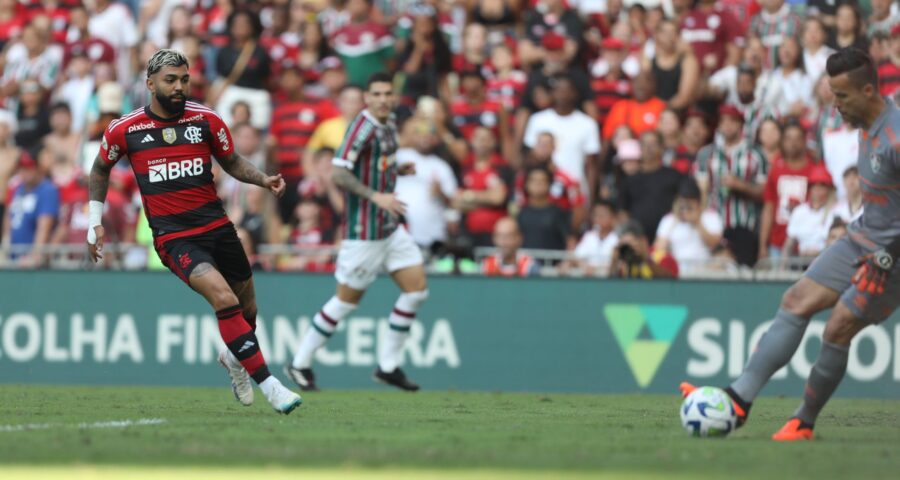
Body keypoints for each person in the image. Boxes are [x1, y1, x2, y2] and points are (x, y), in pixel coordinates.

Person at [681, 49, 900, 441]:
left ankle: (804, 420)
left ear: (868, 90)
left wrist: (885, 257)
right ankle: (738, 399)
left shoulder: (896, 136)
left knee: (836, 329)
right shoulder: (867, 123)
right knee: (795, 301)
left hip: (891, 258)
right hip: (861, 239)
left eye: (843, 96)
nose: (835, 105)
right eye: (832, 94)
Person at [86, 49, 301, 414]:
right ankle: (272, 386)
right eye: (171, 80)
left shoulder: (207, 120)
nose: (179, 86)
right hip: (174, 237)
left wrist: (263, 180)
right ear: (150, 83)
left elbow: (231, 161)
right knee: (223, 298)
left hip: (217, 227)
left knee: (248, 310)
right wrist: (95, 221)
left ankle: (233, 358)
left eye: (184, 79)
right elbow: (99, 170)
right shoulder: (126, 129)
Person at [286, 72, 426, 393]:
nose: (382, 99)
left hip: (389, 228)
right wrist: (377, 196)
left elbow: (377, 164)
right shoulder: (360, 129)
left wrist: (397, 169)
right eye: (375, 93)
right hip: (364, 231)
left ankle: (388, 367)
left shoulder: (388, 124)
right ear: (367, 98)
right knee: (346, 301)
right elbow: (338, 173)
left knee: (416, 290)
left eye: (387, 93)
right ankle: (300, 362)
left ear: (393, 97)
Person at [694, 105, 767, 266]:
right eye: (723, 121)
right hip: (714, 225)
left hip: (745, 225)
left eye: (732, 121)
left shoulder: (755, 154)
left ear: (740, 124)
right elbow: (700, 191)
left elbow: (764, 193)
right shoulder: (706, 154)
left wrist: (741, 186)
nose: (727, 125)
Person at [654, 178, 724, 275]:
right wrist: (676, 219)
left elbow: (714, 244)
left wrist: (697, 222)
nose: (686, 208)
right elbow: (658, 249)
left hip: (706, 271)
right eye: (683, 203)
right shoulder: (669, 220)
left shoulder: (711, 217)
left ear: (698, 202)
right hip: (677, 271)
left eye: (690, 204)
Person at [609, 220, 678, 279]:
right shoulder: (625, 262)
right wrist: (614, 262)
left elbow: (670, 280)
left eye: (631, 243)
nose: (629, 248)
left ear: (643, 241)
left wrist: (645, 259)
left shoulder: (662, 257)